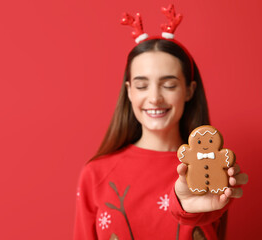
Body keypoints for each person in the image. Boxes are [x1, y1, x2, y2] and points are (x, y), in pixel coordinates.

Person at [74, 8, 248, 239]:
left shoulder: (212, 170)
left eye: (169, 85)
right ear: (129, 92)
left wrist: (191, 208)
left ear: (189, 90)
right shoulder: (96, 174)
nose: (155, 98)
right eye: (142, 85)